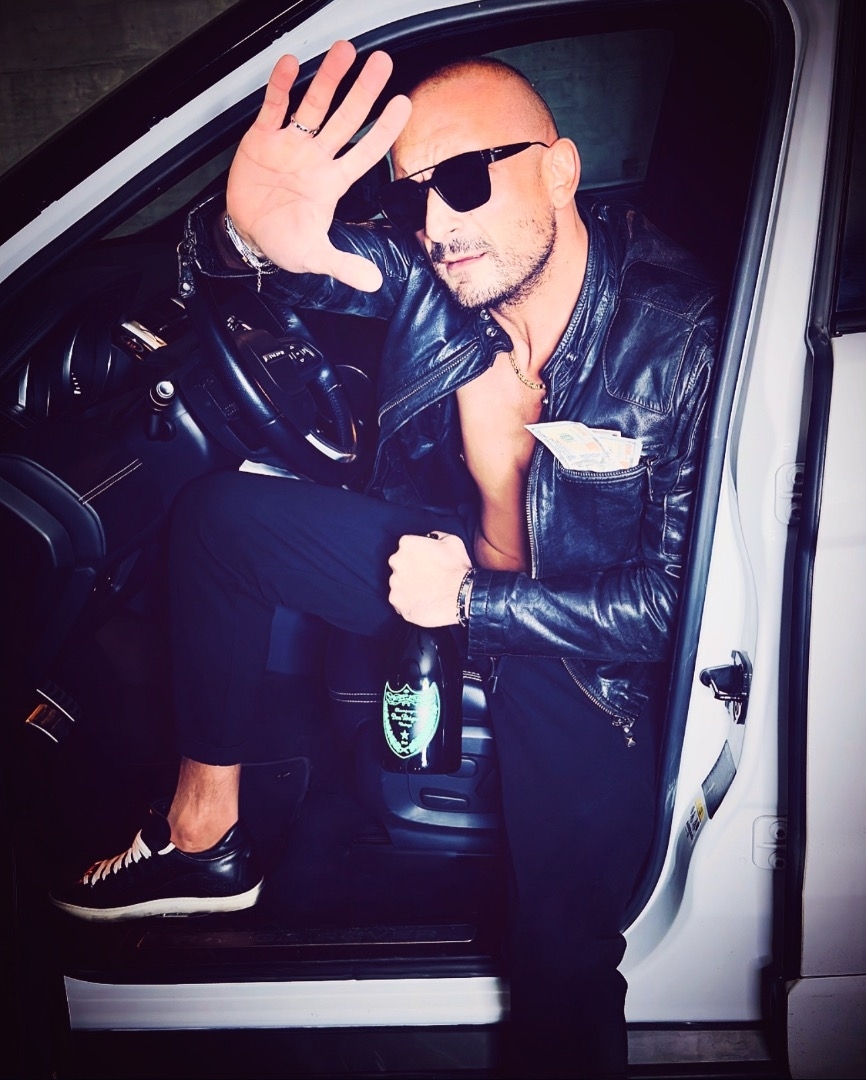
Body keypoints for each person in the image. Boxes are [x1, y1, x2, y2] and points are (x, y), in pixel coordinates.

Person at [51, 41, 719, 1076]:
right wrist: (241, 235)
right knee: (222, 522)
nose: (437, 223)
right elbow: (307, 264)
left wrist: (473, 603)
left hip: (580, 655)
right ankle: (205, 834)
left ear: (558, 170)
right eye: (414, 194)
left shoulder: (674, 335)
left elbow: (673, 602)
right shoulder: (450, 277)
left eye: (465, 179)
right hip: (449, 568)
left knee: (560, 951)